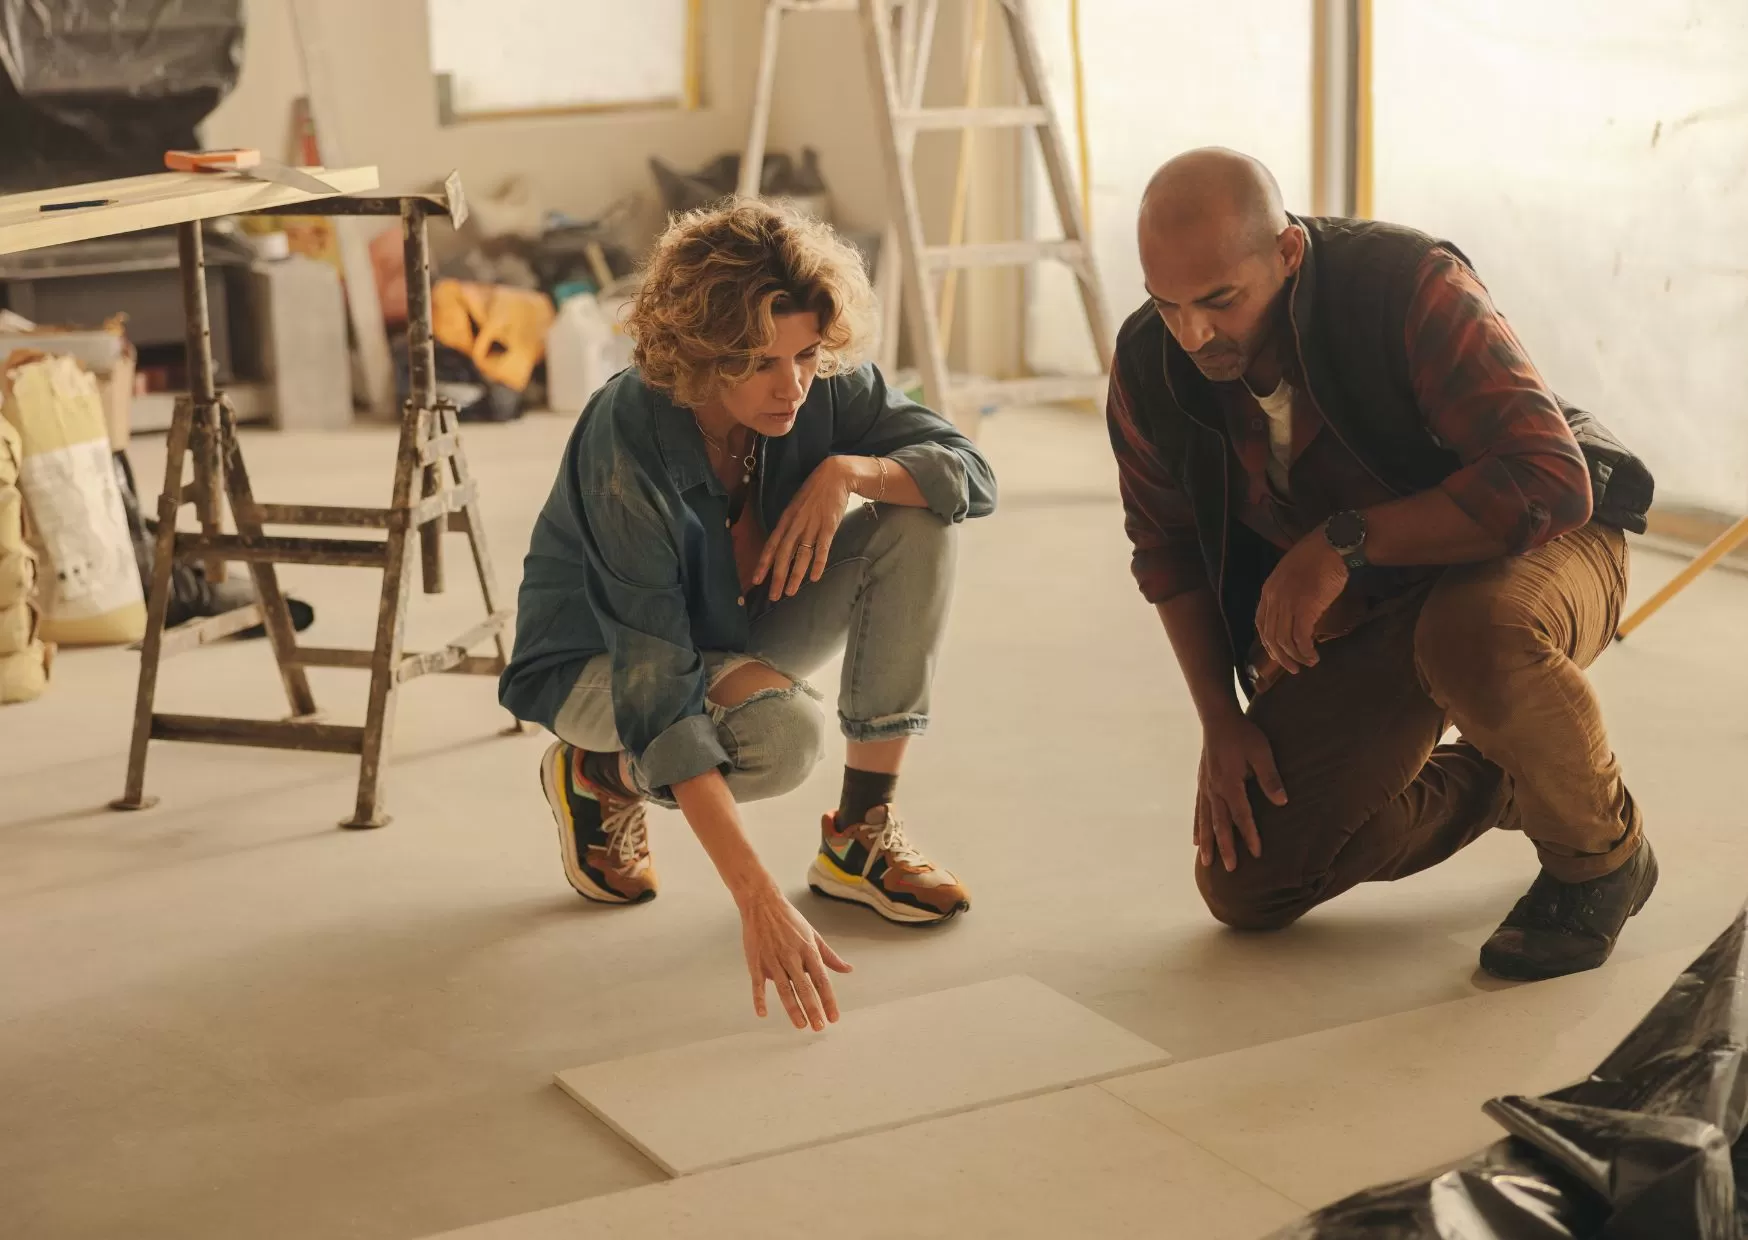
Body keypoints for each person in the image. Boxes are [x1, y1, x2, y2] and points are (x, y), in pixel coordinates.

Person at [1106, 147, 1657, 981]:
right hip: (1384, 587)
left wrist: (1341, 543)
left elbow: (1549, 479)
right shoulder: (1151, 364)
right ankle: (1515, 776)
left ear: (1287, 255)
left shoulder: (1404, 284)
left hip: (1544, 538)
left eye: (1220, 301)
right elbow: (1166, 549)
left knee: (1474, 632)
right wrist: (1221, 719)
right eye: (1168, 303)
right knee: (1248, 880)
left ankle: (1598, 859)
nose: (1194, 334)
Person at [501, 199, 996, 1032]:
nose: (792, 385)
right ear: (700, 352)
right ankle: (595, 774)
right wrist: (755, 897)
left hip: (737, 629)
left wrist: (850, 471)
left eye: (806, 354)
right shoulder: (627, 435)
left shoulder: (823, 387)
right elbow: (658, 692)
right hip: (602, 661)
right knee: (782, 739)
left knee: (917, 510)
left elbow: (971, 473)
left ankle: (860, 837)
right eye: (760, 363)